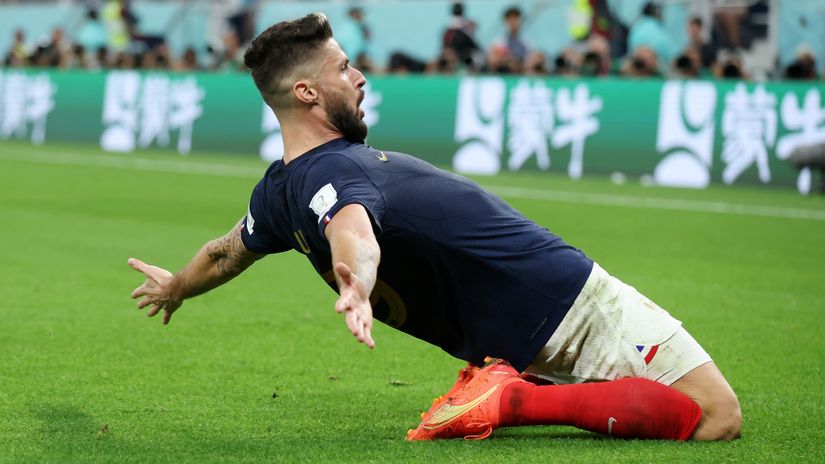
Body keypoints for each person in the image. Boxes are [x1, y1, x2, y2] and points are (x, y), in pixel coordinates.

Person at [128, 13, 741, 442]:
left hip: (515, 333)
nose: (360, 77)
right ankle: (510, 399)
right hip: (570, 302)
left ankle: (511, 386)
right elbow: (353, 227)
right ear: (308, 91)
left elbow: (226, 251)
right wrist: (358, 278)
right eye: (344, 68)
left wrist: (177, 287)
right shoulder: (338, 169)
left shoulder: (280, 191)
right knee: (716, 416)